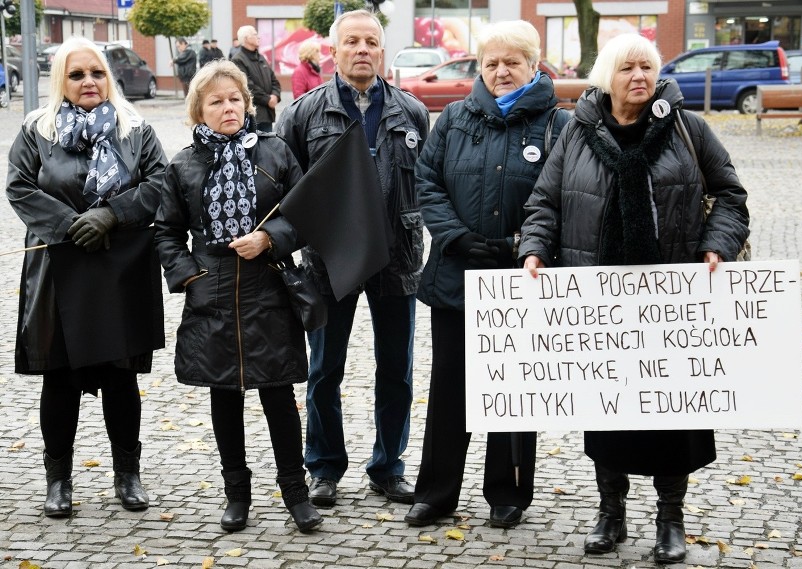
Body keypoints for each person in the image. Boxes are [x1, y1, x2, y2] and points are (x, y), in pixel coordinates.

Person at [518, 33, 750, 563]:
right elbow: (544, 203)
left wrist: (717, 243)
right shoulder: (577, 133)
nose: (639, 77)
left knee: (673, 415)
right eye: (627, 69)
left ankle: (671, 519)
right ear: (606, 77)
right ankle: (611, 513)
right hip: (600, 300)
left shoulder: (688, 129)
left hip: (673, 303)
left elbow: (731, 196)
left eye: (647, 67)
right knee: (608, 414)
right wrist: (533, 249)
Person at [404, 20, 570, 529]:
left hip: (525, 278)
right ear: (480, 67)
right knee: (451, 388)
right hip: (459, 273)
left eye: (511, 62)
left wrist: (525, 244)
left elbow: (563, 193)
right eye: (491, 63)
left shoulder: (559, 125)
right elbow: (425, 180)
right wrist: (454, 234)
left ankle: (507, 491)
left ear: (532, 66)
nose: (501, 72)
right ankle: (436, 492)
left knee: (514, 389)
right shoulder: (454, 118)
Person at [154, 59, 322, 534]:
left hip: (267, 288)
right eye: (216, 101)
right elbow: (166, 232)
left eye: (235, 99)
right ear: (198, 110)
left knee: (278, 393)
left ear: (247, 104)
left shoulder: (275, 152)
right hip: (212, 294)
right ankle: (237, 494)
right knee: (224, 397)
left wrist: (270, 239)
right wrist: (190, 276)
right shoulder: (184, 165)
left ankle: (295, 492)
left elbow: (303, 212)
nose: (228, 108)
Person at [5, 36, 168, 518]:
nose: (88, 82)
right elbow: (18, 185)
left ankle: (127, 474)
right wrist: (70, 225)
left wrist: (112, 215)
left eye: (96, 72)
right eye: (76, 75)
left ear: (108, 77)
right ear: (62, 80)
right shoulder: (39, 129)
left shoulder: (134, 128)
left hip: (120, 269)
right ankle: (58, 480)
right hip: (58, 268)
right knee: (60, 376)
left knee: (120, 379)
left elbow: (159, 183)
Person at [276, 9, 430, 509]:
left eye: (371, 42)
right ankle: (324, 466)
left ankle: (388, 467)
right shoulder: (302, 114)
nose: (362, 50)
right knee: (325, 370)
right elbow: (284, 186)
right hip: (328, 259)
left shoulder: (412, 112)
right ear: (334, 51)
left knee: (397, 371)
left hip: (397, 257)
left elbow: (427, 187)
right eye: (352, 42)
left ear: (381, 52)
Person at [230, 25, 280, 132]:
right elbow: (246, 86)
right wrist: (267, 99)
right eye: (255, 34)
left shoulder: (261, 58)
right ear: (246, 38)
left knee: (268, 146)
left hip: (267, 115)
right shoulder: (238, 60)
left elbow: (274, 80)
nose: (258, 37)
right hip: (252, 116)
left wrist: (275, 95)